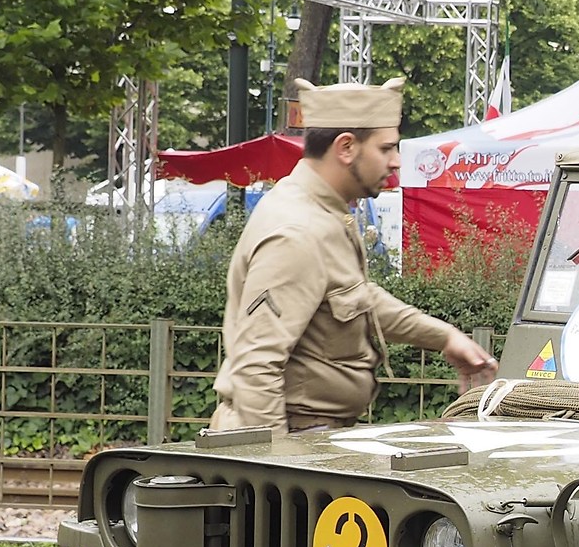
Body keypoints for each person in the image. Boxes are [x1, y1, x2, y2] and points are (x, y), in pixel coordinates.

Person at [213, 78, 497, 433]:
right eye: (386, 148)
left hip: (311, 437)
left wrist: (445, 337)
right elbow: (256, 366)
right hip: (293, 444)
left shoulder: (322, 213)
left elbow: (356, 298)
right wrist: (279, 472)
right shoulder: (298, 231)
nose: (395, 162)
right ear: (346, 147)